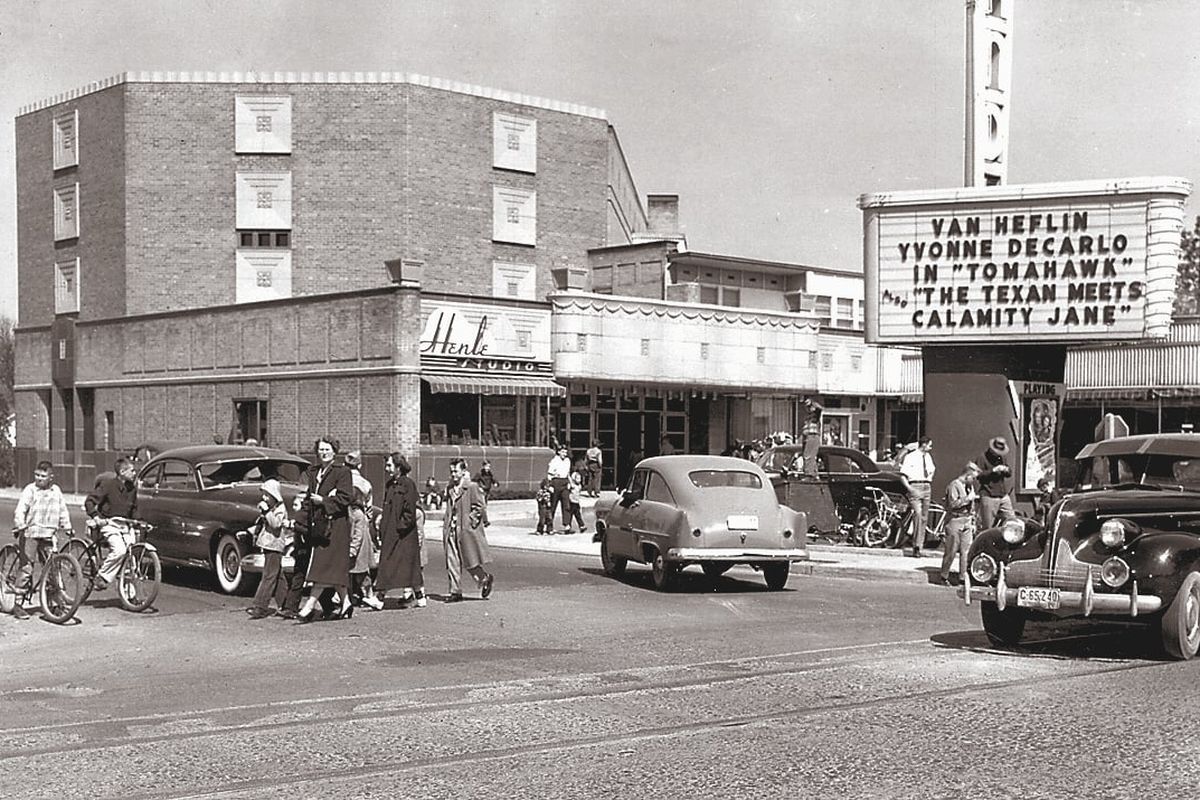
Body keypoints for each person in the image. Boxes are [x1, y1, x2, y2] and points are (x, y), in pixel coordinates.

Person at [295, 438, 353, 623]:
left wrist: (324, 501)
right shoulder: (313, 472)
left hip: (335, 527)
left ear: (335, 452)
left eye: (327, 449)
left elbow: (346, 499)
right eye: (321, 449)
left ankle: (309, 605)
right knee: (331, 567)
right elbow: (306, 498)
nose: (324, 453)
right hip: (318, 527)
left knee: (322, 565)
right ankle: (346, 602)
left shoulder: (342, 472)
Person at [10, 461, 72, 619]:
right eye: (37, 475)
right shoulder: (30, 490)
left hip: (49, 534)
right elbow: (20, 509)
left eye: (43, 476)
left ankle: (53, 604)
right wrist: (21, 524)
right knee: (26, 568)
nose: (39, 478)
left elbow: (62, 510)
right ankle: (18, 604)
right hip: (30, 533)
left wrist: (67, 526)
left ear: (51, 477)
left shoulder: (56, 491)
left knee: (52, 568)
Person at [374, 452, 425, 609]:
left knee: (391, 564)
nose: (387, 468)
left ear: (398, 467)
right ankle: (420, 596)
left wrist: (399, 528)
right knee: (406, 566)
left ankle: (379, 598)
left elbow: (410, 511)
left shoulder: (408, 484)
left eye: (390, 465)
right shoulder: (390, 485)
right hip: (391, 531)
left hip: (402, 534)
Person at [442, 458, 495, 602]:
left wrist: (471, 520)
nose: (453, 474)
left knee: (469, 560)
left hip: (465, 530)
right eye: (451, 471)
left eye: (456, 471)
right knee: (452, 560)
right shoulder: (450, 488)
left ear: (463, 471)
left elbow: (480, 506)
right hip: (451, 529)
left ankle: (484, 578)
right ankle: (455, 591)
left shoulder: (471, 487)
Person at [84, 456, 139, 591]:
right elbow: (90, 501)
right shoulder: (108, 485)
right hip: (109, 524)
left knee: (131, 558)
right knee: (120, 550)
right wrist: (96, 516)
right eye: (132, 471)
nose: (134, 473)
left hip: (125, 526)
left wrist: (138, 523)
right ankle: (102, 577)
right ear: (122, 472)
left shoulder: (132, 488)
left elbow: (134, 509)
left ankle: (129, 596)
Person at [246, 479, 291, 619]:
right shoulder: (271, 508)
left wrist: (266, 511)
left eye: (267, 495)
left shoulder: (280, 509)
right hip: (268, 545)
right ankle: (286, 604)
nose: (264, 498)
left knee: (269, 576)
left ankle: (260, 606)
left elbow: (276, 524)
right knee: (278, 576)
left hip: (274, 546)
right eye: (263, 495)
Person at [344, 450, 380, 611]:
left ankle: (350, 596)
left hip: (346, 527)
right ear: (359, 465)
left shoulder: (341, 482)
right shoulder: (366, 484)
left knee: (350, 566)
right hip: (362, 526)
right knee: (361, 565)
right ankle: (364, 594)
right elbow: (370, 511)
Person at [940, 461, 981, 585]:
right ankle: (944, 575)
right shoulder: (954, 485)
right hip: (955, 520)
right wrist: (968, 499)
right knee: (951, 550)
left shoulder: (969, 487)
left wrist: (972, 519)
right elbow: (952, 504)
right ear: (967, 475)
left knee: (966, 551)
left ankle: (963, 577)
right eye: (972, 478)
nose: (973, 481)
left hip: (967, 520)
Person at [896, 436, 935, 557]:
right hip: (915, 486)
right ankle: (916, 546)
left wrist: (929, 480)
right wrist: (910, 488)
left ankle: (919, 546)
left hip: (926, 486)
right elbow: (902, 475)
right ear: (924, 445)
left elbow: (932, 469)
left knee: (924, 517)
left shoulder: (928, 457)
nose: (931, 447)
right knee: (917, 515)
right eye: (929, 445)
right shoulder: (910, 457)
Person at [978, 436, 1015, 529]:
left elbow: (1009, 473)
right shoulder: (982, 457)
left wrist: (1006, 470)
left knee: (1012, 520)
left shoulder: (1002, 458)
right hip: (989, 494)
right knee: (988, 526)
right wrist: (993, 470)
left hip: (1002, 494)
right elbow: (979, 476)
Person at [546, 445, 572, 535]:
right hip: (556, 482)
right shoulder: (554, 461)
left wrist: (569, 483)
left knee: (566, 505)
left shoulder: (567, 461)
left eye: (565, 452)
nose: (564, 454)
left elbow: (568, 473)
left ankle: (567, 524)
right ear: (558, 452)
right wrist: (550, 485)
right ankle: (549, 527)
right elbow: (549, 475)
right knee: (553, 506)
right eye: (563, 452)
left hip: (564, 482)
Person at [566, 459, 587, 534]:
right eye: (578, 479)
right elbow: (570, 481)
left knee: (577, 514)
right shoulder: (572, 485)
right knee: (571, 515)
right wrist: (569, 476)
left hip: (576, 502)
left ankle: (581, 526)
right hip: (571, 501)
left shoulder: (579, 486)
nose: (579, 480)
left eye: (580, 479)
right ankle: (569, 526)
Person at [475, 460, 498, 527]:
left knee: (483, 507)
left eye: (489, 466)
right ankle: (485, 521)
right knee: (483, 506)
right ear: (483, 466)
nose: (488, 468)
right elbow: (474, 481)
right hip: (482, 491)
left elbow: (492, 479)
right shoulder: (480, 473)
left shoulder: (490, 474)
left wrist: (495, 483)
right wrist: (479, 487)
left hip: (487, 491)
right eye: (487, 466)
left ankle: (479, 519)